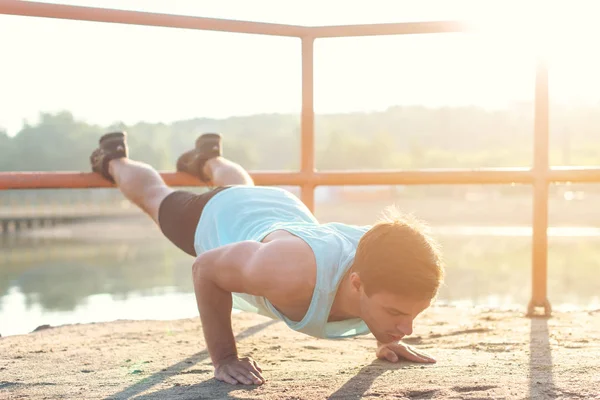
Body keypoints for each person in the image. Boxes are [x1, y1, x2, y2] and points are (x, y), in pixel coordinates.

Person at [90, 131, 445, 386]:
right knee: (155, 197)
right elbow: (205, 269)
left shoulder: (380, 251)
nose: (408, 328)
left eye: (413, 315)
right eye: (397, 315)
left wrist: (387, 335)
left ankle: (208, 158)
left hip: (281, 208)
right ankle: (113, 156)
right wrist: (225, 358)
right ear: (357, 283)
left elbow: (384, 281)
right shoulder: (288, 272)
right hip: (223, 216)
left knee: (245, 189)